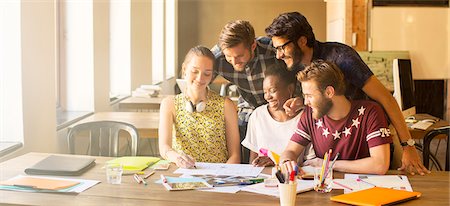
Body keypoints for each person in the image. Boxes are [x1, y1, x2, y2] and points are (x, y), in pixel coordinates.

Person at [265, 12, 430, 175]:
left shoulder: (342, 58)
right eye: (276, 49)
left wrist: (407, 145)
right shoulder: (296, 63)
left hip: (372, 134)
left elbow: (385, 98)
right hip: (340, 142)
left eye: (282, 47)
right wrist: (305, 100)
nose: (279, 55)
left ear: (302, 41)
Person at [281, 60, 392, 175]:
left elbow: (380, 165)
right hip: (325, 188)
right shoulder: (309, 114)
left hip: (363, 189)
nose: (305, 102)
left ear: (329, 92)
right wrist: (286, 162)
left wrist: (327, 164)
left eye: (309, 96)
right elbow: (290, 151)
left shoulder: (370, 112)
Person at [211, 20, 295, 163]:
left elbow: (299, 71)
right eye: (229, 57)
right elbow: (198, 77)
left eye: (239, 56)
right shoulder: (216, 57)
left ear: (253, 46)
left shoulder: (272, 49)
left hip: (280, 105)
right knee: (239, 135)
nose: (234, 61)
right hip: (249, 108)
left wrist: (298, 98)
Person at [158, 46, 240, 168]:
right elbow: (164, 147)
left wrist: (221, 176)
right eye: (195, 71)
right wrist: (177, 158)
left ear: (212, 76)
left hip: (218, 178)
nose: (200, 78)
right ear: (184, 69)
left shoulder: (226, 105)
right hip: (183, 174)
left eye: (207, 74)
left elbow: (235, 156)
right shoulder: (169, 104)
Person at [241, 63, 315, 167]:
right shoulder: (258, 115)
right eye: (265, 92)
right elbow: (253, 161)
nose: (267, 97)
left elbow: (309, 164)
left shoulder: (306, 118)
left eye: (272, 91)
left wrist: (276, 162)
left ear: (290, 89)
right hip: (263, 179)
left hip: (294, 179)